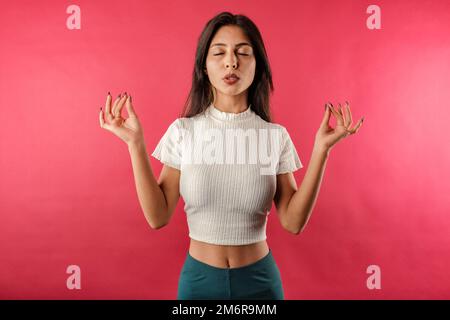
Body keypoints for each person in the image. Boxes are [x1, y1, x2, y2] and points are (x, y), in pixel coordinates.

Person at [99, 11, 364, 300]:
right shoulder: (184, 131)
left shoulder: (272, 137)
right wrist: (135, 143)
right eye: (219, 52)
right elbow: (158, 216)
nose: (231, 61)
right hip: (199, 283)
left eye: (243, 52)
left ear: (258, 65)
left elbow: (293, 222)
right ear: (204, 66)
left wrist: (321, 150)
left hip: (260, 283)